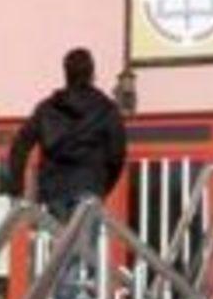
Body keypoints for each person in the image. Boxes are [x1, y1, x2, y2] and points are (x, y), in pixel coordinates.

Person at [7, 48, 127, 221]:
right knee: (83, 238)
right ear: (92, 74)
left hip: (55, 189)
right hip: (89, 185)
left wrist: (16, 188)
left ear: (66, 74)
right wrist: (103, 185)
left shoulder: (47, 108)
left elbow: (20, 145)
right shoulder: (106, 109)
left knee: (61, 237)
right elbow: (117, 155)